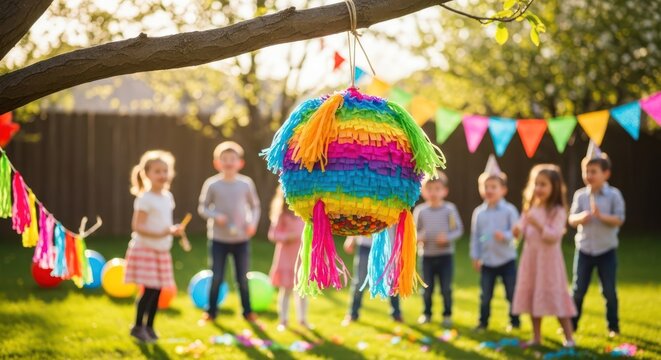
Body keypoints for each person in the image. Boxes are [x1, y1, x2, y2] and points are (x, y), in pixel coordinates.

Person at [124, 150, 187, 342]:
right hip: (146, 249)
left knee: (158, 290)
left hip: (161, 250)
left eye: (165, 170)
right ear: (147, 174)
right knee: (149, 290)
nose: (162, 175)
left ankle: (149, 327)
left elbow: (162, 222)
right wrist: (163, 232)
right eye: (157, 171)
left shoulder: (167, 196)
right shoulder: (145, 198)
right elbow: (138, 226)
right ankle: (137, 327)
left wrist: (172, 230)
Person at [512, 164, 576, 347]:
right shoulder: (530, 209)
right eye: (536, 184)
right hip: (531, 261)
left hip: (549, 263)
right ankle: (536, 336)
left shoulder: (558, 211)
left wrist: (538, 224)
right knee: (533, 296)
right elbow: (520, 230)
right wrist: (516, 230)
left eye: (543, 184)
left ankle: (569, 338)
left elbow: (554, 236)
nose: (538, 188)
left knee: (557, 298)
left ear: (554, 187)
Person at [198, 141, 261, 323]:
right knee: (217, 276)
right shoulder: (212, 184)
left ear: (240, 163)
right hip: (218, 239)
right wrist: (215, 215)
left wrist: (252, 223)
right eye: (224, 159)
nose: (228, 162)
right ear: (217, 163)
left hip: (241, 239)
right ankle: (211, 312)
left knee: (242, 277)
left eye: (232, 159)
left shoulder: (245, 184)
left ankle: (247, 312)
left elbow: (255, 206)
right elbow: (202, 208)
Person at [568, 141, 625, 338]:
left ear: (605, 174)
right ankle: (571, 326)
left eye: (593, 171)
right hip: (584, 250)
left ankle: (613, 326)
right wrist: (581, 217)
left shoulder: (614, 195)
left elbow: (619, 220)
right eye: (587, 171)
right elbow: (571, 219)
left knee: (608, 290)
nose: (589, 176)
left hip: (606, 250)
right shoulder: (580, 196)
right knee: (578, 290)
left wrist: (602, 217)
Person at [469, 155, 520, 332]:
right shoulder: (479, 213)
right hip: (487, 260)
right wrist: (475, 256)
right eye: (486, 187)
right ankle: (483, 322)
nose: (489, 190)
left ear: (503, 190)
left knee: (511, 293)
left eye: (494, 187)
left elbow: (516, 233)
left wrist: (505, 235)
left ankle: (514, 321)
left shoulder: (509, 210)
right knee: (485, 295)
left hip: (507, 260)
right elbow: (475, 236)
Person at [413, 170, 464, 327]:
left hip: (445, 256)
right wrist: (419, 238)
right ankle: (426, 313)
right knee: (427, 288)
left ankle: (447, 314)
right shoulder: (420, 211)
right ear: (423, 191)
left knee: (446, 288)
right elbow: (414, 232)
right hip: (427, 256)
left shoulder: (450, 209)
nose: (433, 192)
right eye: (429, 189)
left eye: (437, 189)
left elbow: (458, 229)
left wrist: (447, 238)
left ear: (445, 191)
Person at [267, 186, 310, 331]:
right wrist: (287, 237)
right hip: (285, 257)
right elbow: (272, 234)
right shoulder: (282, 215)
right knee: (285, 290)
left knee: (302, 291)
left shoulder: (305, 214)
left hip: (301, 258)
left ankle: (302, 319)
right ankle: (283, 320)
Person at [341, 228, 403, 326]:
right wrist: (351, 238)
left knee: (391, 281)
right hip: (365, 245)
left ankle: (396, 314)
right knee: (359, 281)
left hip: (387, 245)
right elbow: (358, 218)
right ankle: (353, 314)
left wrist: (399, 245)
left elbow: (398, 224)